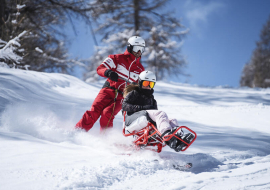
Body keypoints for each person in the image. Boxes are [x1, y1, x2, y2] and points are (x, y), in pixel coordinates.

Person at [76, 36, 145, 132]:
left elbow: (141, 89)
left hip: (122, 96)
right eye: (136, 48)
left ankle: (106, 139)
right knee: (94, 111)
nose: (139, 52)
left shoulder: (140, 70)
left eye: (141, 49)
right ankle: (78, 131)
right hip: (107, 90)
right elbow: (100, 68)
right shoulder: (116, 58)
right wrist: (108, 72)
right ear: (129, 47)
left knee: (107, 114)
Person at [122, 70, 194, 152]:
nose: (148, 86)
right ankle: (167, 135)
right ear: (140, 82)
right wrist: (142, 107)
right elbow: (124, 106)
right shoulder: (134, 93)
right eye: (146, 83)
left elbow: (157, 118)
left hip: (145, 118)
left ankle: (177, 139)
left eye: (151, 84)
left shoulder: (152, 100)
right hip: (132, 119)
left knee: (172, 120)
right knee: (161, 114)